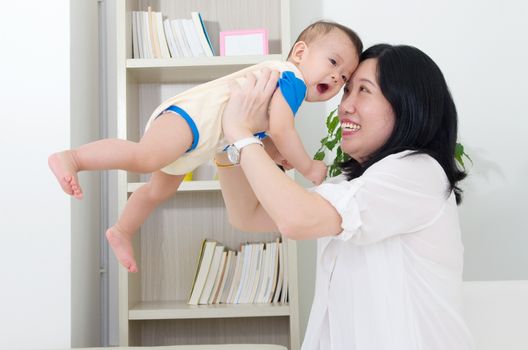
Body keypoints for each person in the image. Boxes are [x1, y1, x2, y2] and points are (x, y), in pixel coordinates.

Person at [47, 21, 362, 273]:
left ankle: (122, 230)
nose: (335, 76)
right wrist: (308, 166)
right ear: (300, 52)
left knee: (158, 191)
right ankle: (73, 157)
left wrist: (276, 152)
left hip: (198, 141)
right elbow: (281, 127)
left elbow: (263, 130)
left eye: (343, 76)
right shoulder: (291, 77)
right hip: (191, 119)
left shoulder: (286, 86)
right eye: (332, 62)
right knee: (144, 157)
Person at [216, 44, 474, 349]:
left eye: (364, 91)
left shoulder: (418, 171)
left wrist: (242, 134)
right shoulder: (355, 184)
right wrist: (228, 143)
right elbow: (247, 214)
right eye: (347, 91)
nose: (345, 106)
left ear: (408, 105)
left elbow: (295, 219)